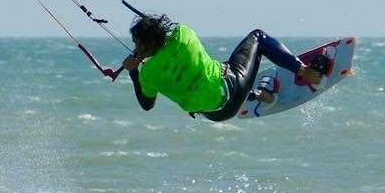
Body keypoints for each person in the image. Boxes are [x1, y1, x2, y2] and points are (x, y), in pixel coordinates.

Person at [122, 14, 329, 121]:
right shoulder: (183, 35)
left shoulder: (147, 74)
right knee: (259, 37)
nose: (136, 47)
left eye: (138, 43)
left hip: (218, 114)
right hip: (233, 89)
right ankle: (308, 74)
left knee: (207, 82)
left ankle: (264, 96)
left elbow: (147, 105)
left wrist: (133, 71)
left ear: (149, 41)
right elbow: (171, 33)